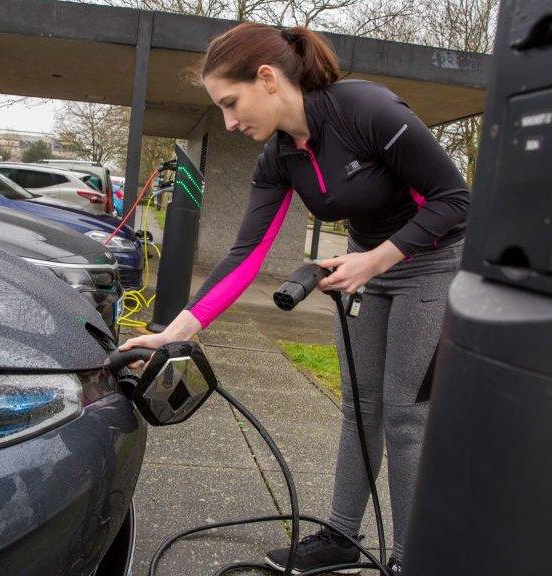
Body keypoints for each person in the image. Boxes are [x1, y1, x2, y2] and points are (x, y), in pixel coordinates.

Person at [119, 22, 470, 574]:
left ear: (268, 79)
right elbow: (246, 253)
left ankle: (409, 556)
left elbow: (454, 200)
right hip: (363, 267)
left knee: (405, 416)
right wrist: (175, 332)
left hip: (432, 263)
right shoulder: (280, 156)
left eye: (232, 104)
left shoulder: (368, 111)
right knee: (359, 408)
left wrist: (374, 260)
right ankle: (340, 536)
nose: (230, 122)